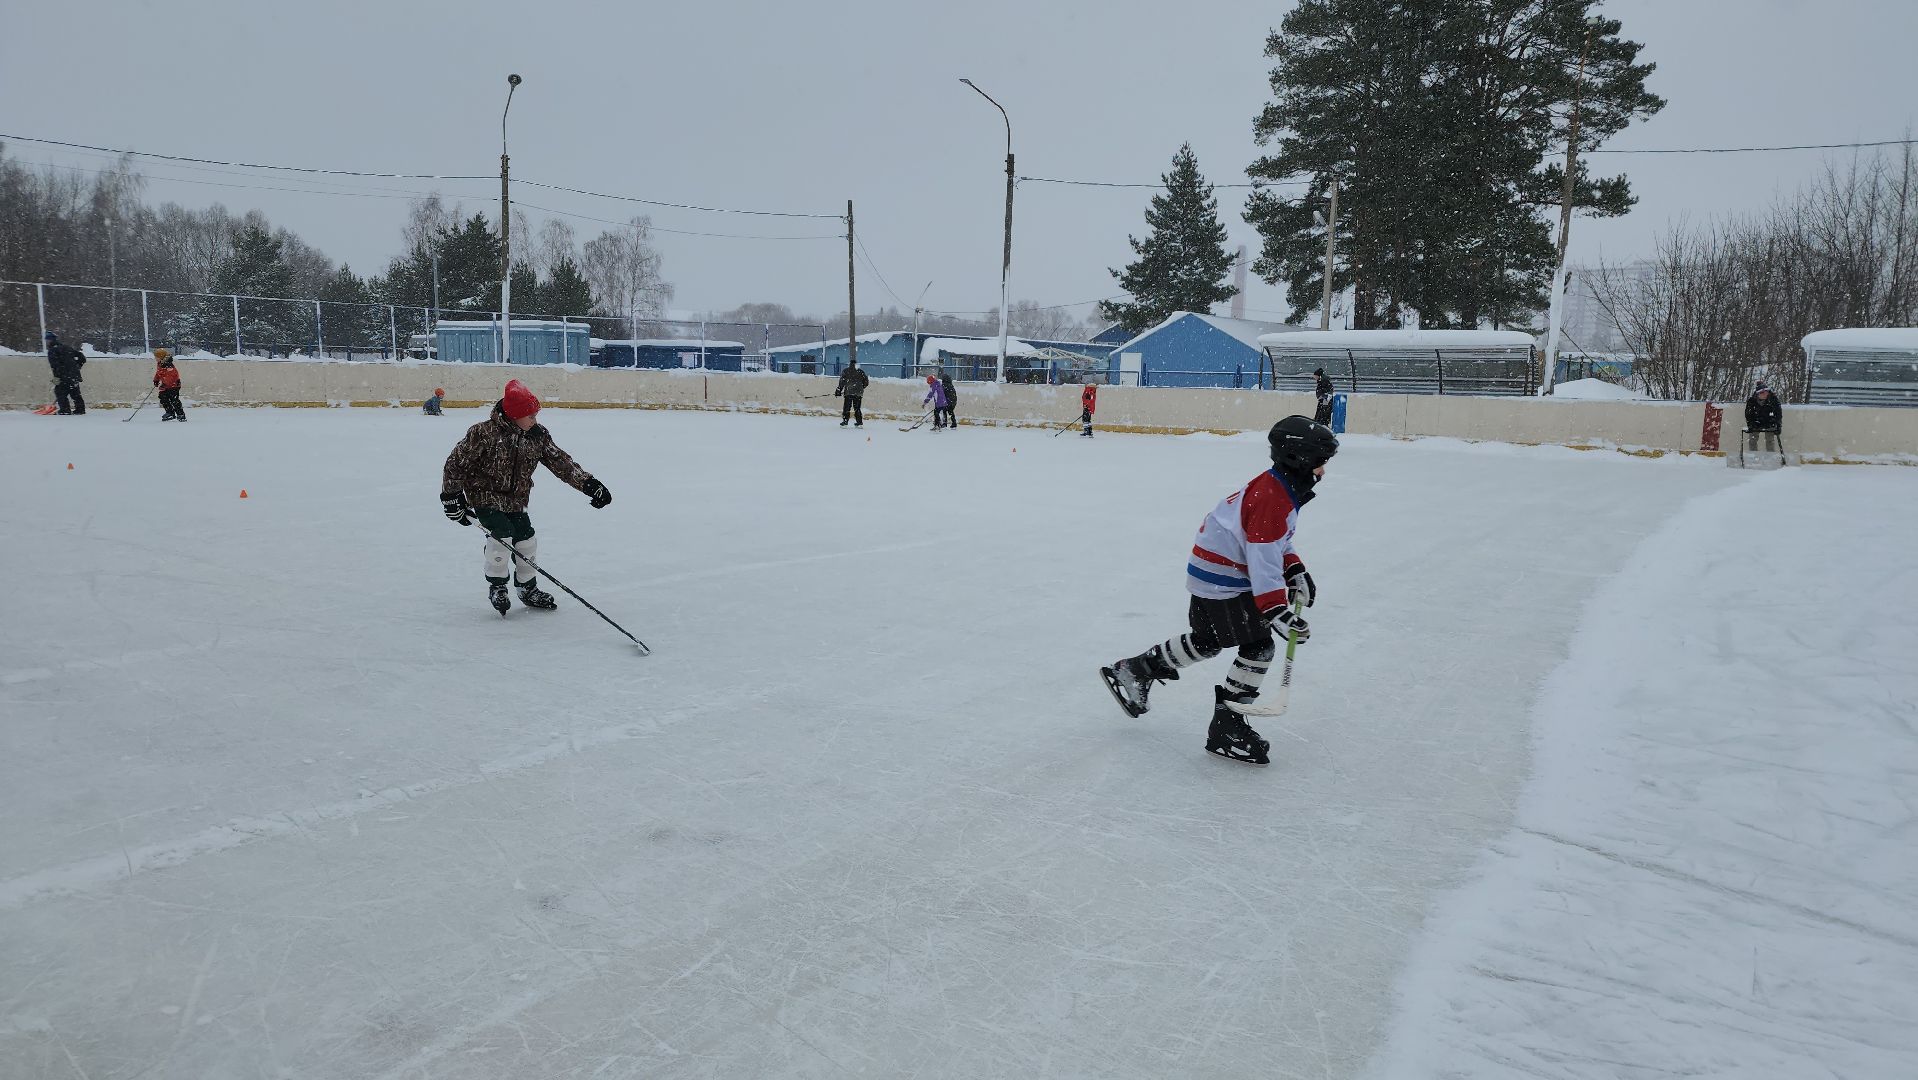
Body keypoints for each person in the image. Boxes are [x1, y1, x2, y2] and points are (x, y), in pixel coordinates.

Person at [1099, 415, 1339, 765]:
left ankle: (1135, 670)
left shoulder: (1280, 487)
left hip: (1214, 573)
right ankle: (1227, 725)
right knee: (1257, 648)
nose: (1323, 471)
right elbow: (1262, 559)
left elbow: (1275, 544)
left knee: (1209, 638)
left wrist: (1295, 567)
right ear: (1299, 459)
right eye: (1320, 462)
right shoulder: (1274, 496)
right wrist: (1277, 611)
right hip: (1223, 578)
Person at [440, 379, 613, 616]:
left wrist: (589, 484)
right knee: (501, 535)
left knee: (526, 540)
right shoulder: (483, 433)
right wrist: (451, 497)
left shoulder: (537, 435)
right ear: (514, 415)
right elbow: (456, 463)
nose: (535, 420)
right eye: (530, 415)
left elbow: (560, 462)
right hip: (484, 495)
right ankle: (498, 586)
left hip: (517, 498)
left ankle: (527, 589)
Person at [45, 332, 87, 415]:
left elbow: (55, 367)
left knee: (59, 392)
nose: (46, 342)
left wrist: (56, 380)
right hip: (74, 376)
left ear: (50, 341)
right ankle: (80, 409)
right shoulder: (66, 347)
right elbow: (82, 357)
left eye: (47, 340)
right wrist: (77, 366)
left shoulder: (52, 351)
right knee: (75, 393)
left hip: (63, 376)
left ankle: (65, 410)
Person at [1744, 381, 1782, 449]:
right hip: (1756, 421)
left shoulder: (1773, 399)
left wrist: (1778, 425)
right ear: (1758, 394)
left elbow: (1778, 413)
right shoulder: (1752, 401)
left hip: (1770, 421)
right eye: (1762, 393)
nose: (1765, 394)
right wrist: (1750, 425)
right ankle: (1753, 454)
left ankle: (1770, 455)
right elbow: (1748, 414)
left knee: (1770, 439)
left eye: (1766, 392)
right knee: (1752, 439)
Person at [153, 348, 186, 421]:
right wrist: (156, 380)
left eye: (156, 357)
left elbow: (171, 377)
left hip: (174, 385)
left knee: (174, 400)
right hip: (165, 385)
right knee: (163, 397)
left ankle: (181, 415)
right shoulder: (160, 364)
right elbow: (158, 373)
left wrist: (165, 384)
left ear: (161, 357)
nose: (155, 358)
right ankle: (170, 413)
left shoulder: (169, 365)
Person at [835, 359, 868, 427]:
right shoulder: (861, 372)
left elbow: (842, 382)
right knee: (857, 408)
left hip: (848, 392)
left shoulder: (846, 371)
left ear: (849, 364)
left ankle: (845, 422)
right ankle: (859, 423)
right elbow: (866, 382)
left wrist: (839, 390)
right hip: (858, 393)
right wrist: (861, 388)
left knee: (847, 407)